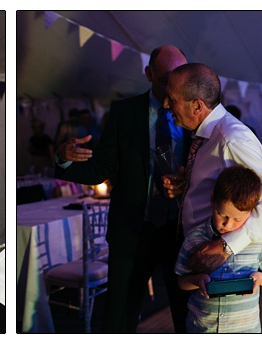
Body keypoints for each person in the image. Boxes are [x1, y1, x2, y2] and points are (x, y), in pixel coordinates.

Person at [54, 45, 191, 333]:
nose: (174, 86)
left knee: (186, 311)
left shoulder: (195, 115)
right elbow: (100, 170)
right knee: (120, 312)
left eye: (180, 77)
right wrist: (62, 160)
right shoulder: (124, 112)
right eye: (166, 79)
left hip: (181, 229)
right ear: (148, 74)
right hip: (133, 229)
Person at [160, 62, 262, 285]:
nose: (165, 104)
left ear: (197, 106)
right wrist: (186, 187)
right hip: (195, 256)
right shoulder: (207, 136)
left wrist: (225, 247)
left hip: (219, 268)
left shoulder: (231, 139)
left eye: (172, 99)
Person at [174, 166, 262, 333]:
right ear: (212, 201)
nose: (228, 224)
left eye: (237, 219)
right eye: (221, 214)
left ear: (251, 212)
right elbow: (181, 281)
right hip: (202, 328)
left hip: (245, 330)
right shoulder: (195, 238)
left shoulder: (260, 240)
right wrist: (197, 280)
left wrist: (258, 277)